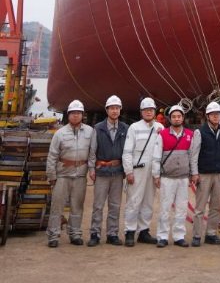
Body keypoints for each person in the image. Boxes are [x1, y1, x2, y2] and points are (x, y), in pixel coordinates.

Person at [45, 99, 93, 247]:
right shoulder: (60, 133)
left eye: (78, 113)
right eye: (73, 113)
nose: (76, 115)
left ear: (82, 115)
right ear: (68, 115)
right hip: (62, 176)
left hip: (80, 176)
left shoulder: (90, 132)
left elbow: (92, 154)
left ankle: (75, 234)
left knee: (77, 206)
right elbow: (52, 155)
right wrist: (52, 176)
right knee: (57, 207)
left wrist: (92, 170)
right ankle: (53, 236)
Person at [87, 94, 128, 246]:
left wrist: (126, 169)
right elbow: (92, 151)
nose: (115, 111)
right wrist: (91, 169)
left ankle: (112, 234)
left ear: (120, 110)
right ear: (107, 110)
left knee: (115, 205)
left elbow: (128, 151)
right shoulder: (98, 128)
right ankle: (95, 234)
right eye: (112, 108)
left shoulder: (125, 128)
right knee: (98, 205)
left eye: (117, 108)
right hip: (102, 171)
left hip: (117, 172)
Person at [122, 96, 163, 246]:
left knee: (148, 202)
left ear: (155, 111)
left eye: (151, 110)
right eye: (146, 110)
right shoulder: (134, 128)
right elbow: (127, 152)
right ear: (141, 112)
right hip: (137, 170)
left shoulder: (160, 128)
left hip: (153, 170)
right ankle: (130, 231)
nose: (148, 112)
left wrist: (159, 173)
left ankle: (144, 231)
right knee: (133, 201)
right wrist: (128, 171)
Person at [152, 104, 195, 247]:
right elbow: (156, 156)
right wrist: (156, 175)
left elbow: (192, 156)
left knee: (181, 209)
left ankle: (179, 236)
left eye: (179, 116)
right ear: (169, 119)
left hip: (183, 178)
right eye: (174, 116)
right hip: (167, 178)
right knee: (164, 208)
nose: (177, 119)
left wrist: (192, 174)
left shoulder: (190, 135)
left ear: (183, 118)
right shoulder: (162, 135)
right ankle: (162, 236)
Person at [191, 100, 220, 247]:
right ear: (207, 116)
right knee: (200, 207)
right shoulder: (200, 132)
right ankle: (196, 235)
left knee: (216, 206)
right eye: (212, 114)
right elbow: (194, 154)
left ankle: (211, 234)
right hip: (204, 174)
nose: (215, 116)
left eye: (217, 114)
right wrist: (194, 173)